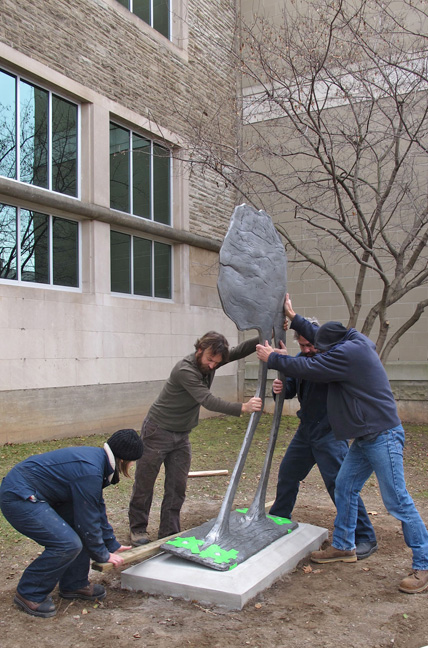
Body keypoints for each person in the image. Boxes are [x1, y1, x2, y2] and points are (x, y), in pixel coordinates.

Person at [256, 294, 428, 594]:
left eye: (320, 347)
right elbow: (316, 338)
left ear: (332, 347)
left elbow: (308, 367)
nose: (314, 350)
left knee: (397, 501)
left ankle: (424, 565)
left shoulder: (345, 357)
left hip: (383, 435)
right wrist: (294, 318)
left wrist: (273, 358)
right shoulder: (355, 340)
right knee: (345, 487)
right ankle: (344, 546)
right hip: (364, 437)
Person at [128, 331, 262, 545]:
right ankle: (138, 529)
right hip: (157, 432)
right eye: (210, 360)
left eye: (217, 362)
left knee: (176, 486)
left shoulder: (211, 360)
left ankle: (169, 532)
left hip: (182, 435)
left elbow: (239, 351)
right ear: (199, 350)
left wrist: (266, 334)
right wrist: (243, 407)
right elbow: (207, 400)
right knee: (145, 483)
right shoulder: (185, 370)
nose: (212, 366)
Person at [0, 428, 144, 618]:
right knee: (66, 544)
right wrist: (101, 554)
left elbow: (96, 507)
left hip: (41, 492)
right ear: (123, 460)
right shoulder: (90, 470)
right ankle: (29, 593)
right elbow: (88, 519)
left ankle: (74, 584)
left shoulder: (97, 463)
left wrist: (111, 545)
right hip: (20, 496)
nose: (132, 465)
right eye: (133, 461)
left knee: (78, 530)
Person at [270, 319, 378, 559]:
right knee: (288, 474)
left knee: (340, 486)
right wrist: (280, 386)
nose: (307, 350)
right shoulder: (301, 359)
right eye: (303, 345)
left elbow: (313, 371)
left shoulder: (334, 359)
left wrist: (286, 362)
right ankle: (278, 520)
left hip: (330, 432)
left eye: (311, 345)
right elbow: (289, 389)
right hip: (306, 430)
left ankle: (365, 537)